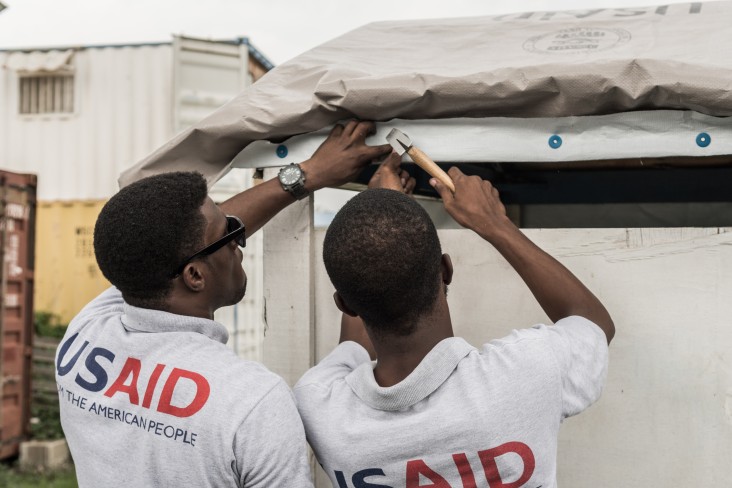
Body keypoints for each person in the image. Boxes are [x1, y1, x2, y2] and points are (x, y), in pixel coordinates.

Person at [54, 121, 393, 488]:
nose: (239, 237)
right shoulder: (250, 402)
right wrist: (383, 224)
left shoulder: (86, 333)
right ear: (195, 276)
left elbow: (181, 239)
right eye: (228, 233)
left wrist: (306, 175)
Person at [294, 164, 615, 487]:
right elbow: (593, 324)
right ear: (446, 270)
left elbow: (353, 348)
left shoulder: (321, 408)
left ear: (345, 305)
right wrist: (492, 222)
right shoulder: (526, 371)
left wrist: (379, 214)